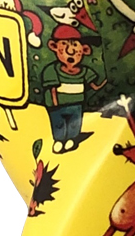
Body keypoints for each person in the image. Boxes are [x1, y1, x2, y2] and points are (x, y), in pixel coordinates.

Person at [39, 24, 106, 152]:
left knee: (74, 124)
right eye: (64, 45)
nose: (70, 51)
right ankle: (59, 140)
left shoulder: (84, 71)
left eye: (75, 46)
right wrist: (54, 103)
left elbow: (95, 85)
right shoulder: (52, 70)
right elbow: (52, 89)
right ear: (53, 46)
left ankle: (71, 139)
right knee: (59, 123)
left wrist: (107, 81)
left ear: (84, 50)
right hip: (58, 105)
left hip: (76, 103)